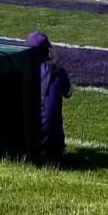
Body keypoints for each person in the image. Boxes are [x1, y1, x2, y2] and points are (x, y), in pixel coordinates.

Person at [29, 30, 70, 166]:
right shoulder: (58, 72)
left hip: (27, 149)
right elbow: (68, 92)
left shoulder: (23, 70)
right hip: (54, 152)